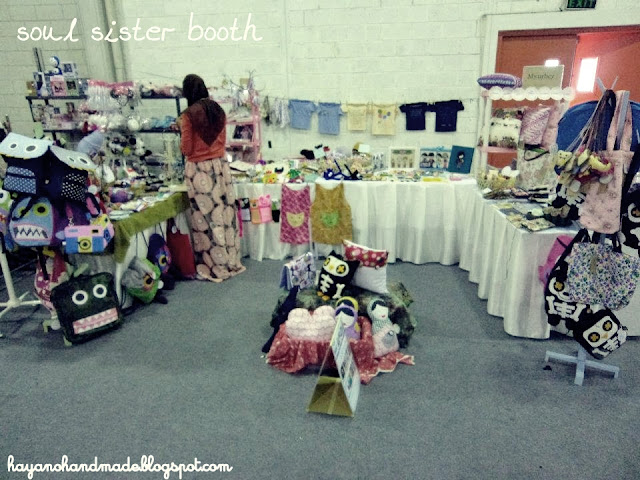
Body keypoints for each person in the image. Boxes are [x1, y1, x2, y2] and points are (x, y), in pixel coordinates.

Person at [179, 74, 245, 282]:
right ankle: (230, 260)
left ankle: (215, 265)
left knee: (206, 219)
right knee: (224, 214)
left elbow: (186, 148)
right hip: (220, 166)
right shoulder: (218, 110)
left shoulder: (188, 116)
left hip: (199, 169)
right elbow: (223, 140)